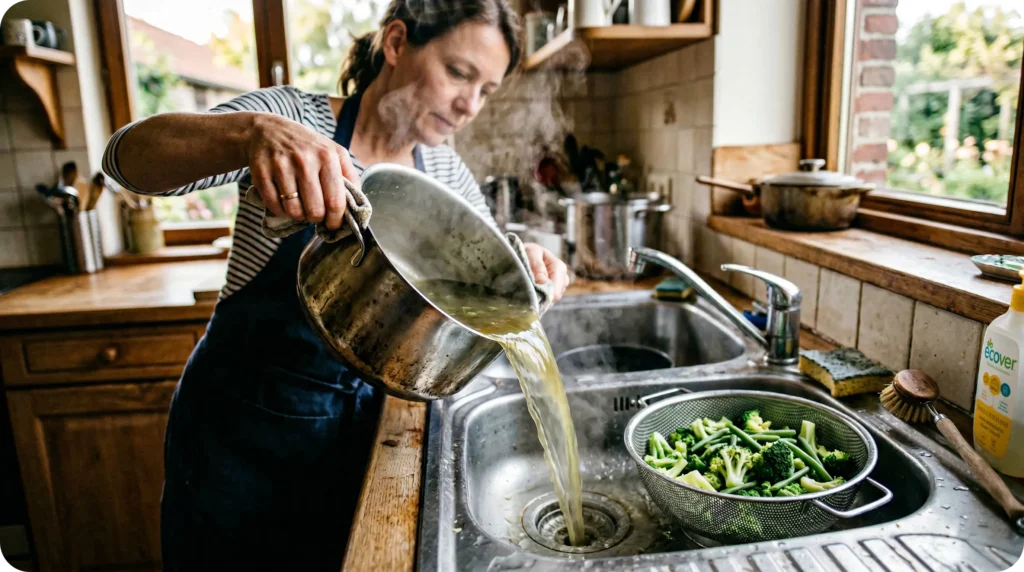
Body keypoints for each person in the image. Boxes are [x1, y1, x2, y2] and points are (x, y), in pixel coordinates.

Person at [101, 0, 569, 568]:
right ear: (396, 43)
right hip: (241, 448)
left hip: (363, 444)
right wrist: (249, 133)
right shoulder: (293, 120)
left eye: (487, 90)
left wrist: (536, 267)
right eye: (458, 73)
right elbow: (124, 158)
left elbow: (494, 275)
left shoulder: (443, 171)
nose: (470, 104)